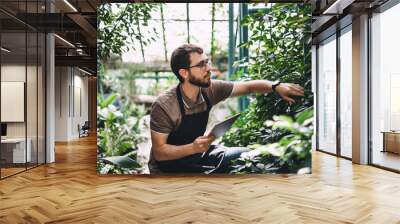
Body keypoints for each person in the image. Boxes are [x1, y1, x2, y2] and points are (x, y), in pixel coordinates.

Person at [150, 44, 304, 174]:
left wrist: (275, 86)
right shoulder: (164, 105)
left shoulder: (210, 89)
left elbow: (248, 87)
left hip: (197, 155)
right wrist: (193, 148)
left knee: (247, 155)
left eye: (207, 62)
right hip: (167, 169)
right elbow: (160, 152)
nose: (208, 68)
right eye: (200, 65)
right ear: (184, 73)